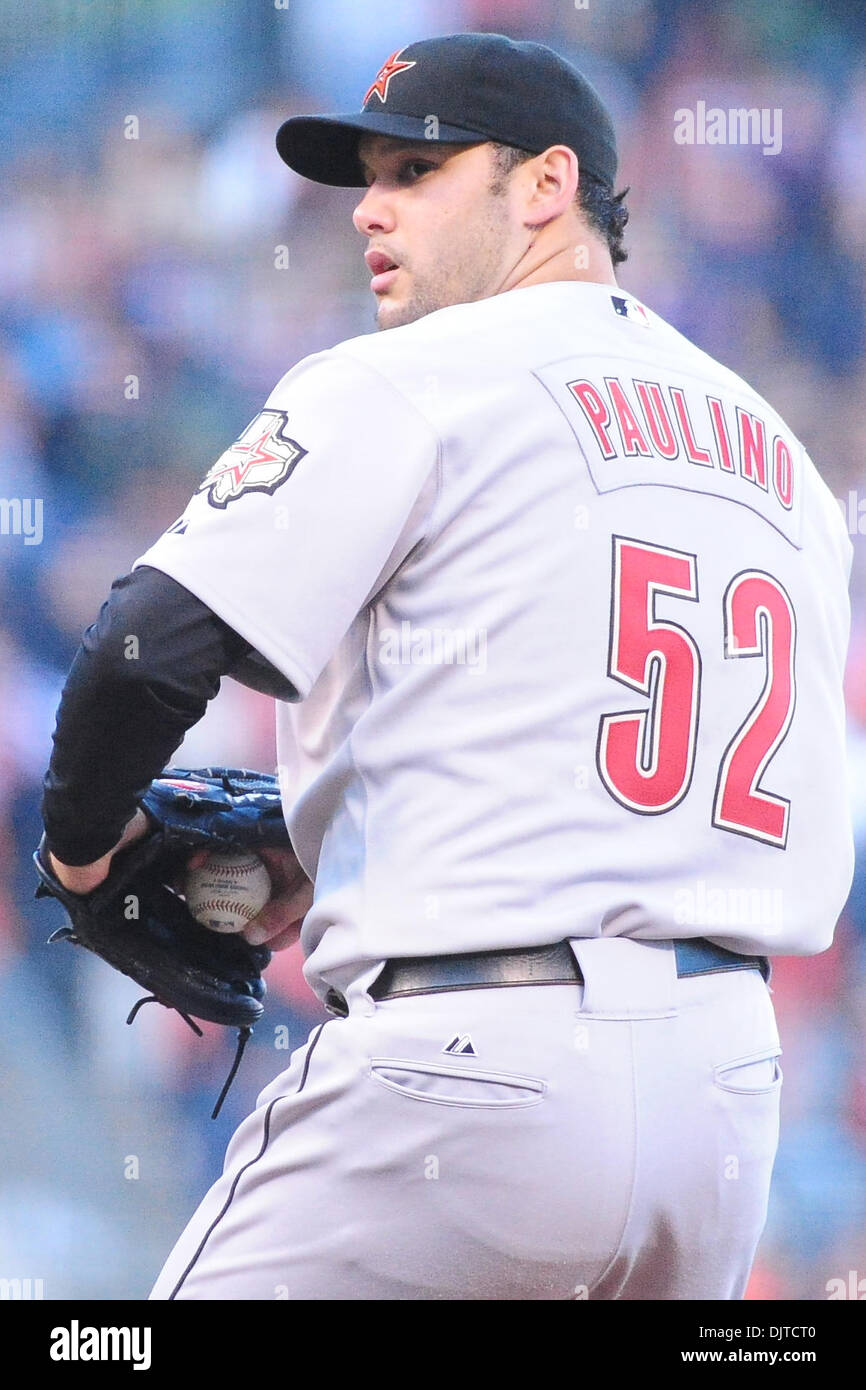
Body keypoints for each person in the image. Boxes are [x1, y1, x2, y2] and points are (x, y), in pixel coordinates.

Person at [41, 32, 854, 1300]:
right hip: (726, 1103)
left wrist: (83, 856)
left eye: (415, 169)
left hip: (468, 1073)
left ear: (541, 186)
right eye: (365, 174)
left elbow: (139, 653)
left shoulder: (414, 377)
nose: (367, 205)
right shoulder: (782, 461)